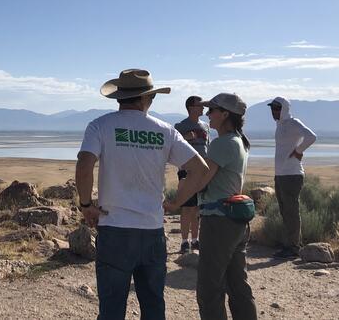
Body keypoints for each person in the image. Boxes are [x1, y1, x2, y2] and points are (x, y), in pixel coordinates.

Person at [76, 69, 209, 320]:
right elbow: (200, 169)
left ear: (119, 97)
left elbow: (84, 165)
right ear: (147, 98)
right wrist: (177, 203)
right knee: (153, 306)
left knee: (112, 309)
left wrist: (86, 205)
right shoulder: (165, 130)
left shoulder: (100, 126)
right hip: (151, 231)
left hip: (114, 229)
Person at [167, 93, 258, 320]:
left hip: (218, 222)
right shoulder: (239, 141)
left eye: (212, 110)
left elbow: (201, 180)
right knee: (238, 284)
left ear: (225, 114)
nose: (208, 115)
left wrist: (175, 203)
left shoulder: (222, 143)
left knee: (210, 287)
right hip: (234, 220)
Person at [268, 96, 317, 260]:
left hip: (292, 174)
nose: (273, 111)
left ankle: (294, 247)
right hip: (280, 174)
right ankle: (289, 244)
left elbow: (311, 136)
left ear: (284, 109)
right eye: (272, 108)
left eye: (276, 108)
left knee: (291, 211)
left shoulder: (293, 123)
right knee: (285, 211)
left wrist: (299, 151)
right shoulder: (279, 125)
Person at [174, 96, 210, 253]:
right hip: (187, 171)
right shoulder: (180, 126)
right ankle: (184, 242)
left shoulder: (206, 126)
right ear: (190, 107)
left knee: (197, 208)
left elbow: (207, 147)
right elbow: (173, 145)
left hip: (202, 172)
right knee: (186, 207)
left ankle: (195, 240)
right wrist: (186, 138)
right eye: (199, 105)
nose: (203, 108)